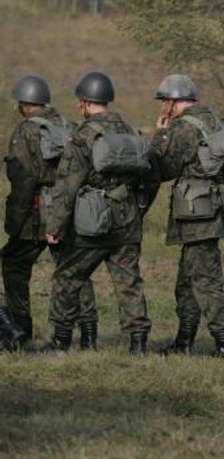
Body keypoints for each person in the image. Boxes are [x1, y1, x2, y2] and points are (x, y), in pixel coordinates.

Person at [43, 71, 157, 354]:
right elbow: (152, 177)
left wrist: (54, 226)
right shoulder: (131, 131)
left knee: (68, 276)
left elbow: (67, 186)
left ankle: (61, 341)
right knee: (129, 282)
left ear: (84, 103)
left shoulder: (83, 135)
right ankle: (138, 345)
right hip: (127, 220)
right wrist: (138, 209)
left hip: (91, 223)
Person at [3, 75, 98, 349]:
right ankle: (89, 335)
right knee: (73, 270)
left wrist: (14, 223)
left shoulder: (26, 131)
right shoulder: (68, 126)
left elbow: (23, 181)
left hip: (36, 215)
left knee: (14, 265)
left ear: (23, 104)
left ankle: (19, 330)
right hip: (69, 210)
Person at [150, 74, 224, 356]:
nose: (163, 106)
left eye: (164, 101)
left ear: (174, 101)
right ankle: (184, 341)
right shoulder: (216, 119)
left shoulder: (183, 129)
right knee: (187, 281)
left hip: (197, 214)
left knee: (205, 281)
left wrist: (161, 134)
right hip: (217, 209)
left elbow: (162, 169)